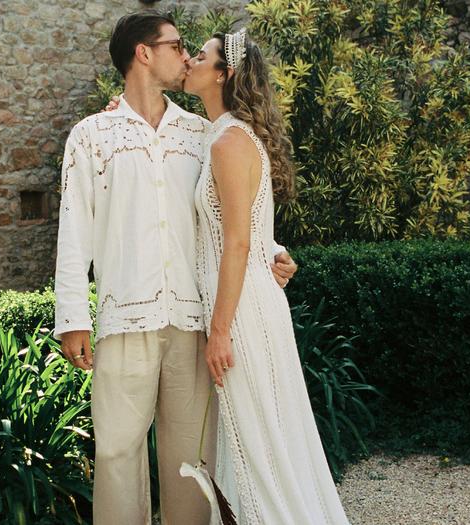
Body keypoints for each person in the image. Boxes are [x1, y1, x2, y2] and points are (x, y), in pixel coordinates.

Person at [52, 12, 298, 525]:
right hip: (125, 319)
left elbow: (227, 210)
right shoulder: (91, 136)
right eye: (176, 45)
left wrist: (269, 252)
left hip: (192, 321)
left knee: (191, 458)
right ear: (144, 53)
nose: (186, 56)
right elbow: (74, 230)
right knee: (117, 453)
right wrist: (72, 315)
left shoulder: (200, 134)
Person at [182, 28, 351, 524]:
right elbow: (253, 228)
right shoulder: (217, 133)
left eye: (202, 55)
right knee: (253, 436)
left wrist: (219, 331)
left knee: (257, 439)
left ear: (225, 73)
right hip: (245, 297)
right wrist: (276, 251)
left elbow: (236, 240)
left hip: (240, 311)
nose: (191, 59)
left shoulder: (231, 140)